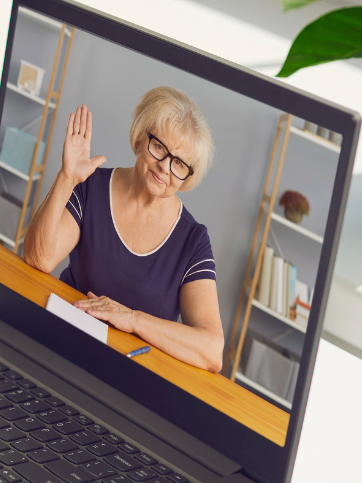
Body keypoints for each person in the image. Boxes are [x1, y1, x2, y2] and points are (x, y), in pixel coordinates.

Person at [21, 85, 222, 373]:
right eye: (159, 148)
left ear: (187, 177)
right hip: (62, 345)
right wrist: (67, 178)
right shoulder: (91, 186)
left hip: (128, 375)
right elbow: (39, 258)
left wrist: (132, 319)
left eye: (179, 164)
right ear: (140, 139)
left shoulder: (193, 240)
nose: (165, 167)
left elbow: (212, 351)